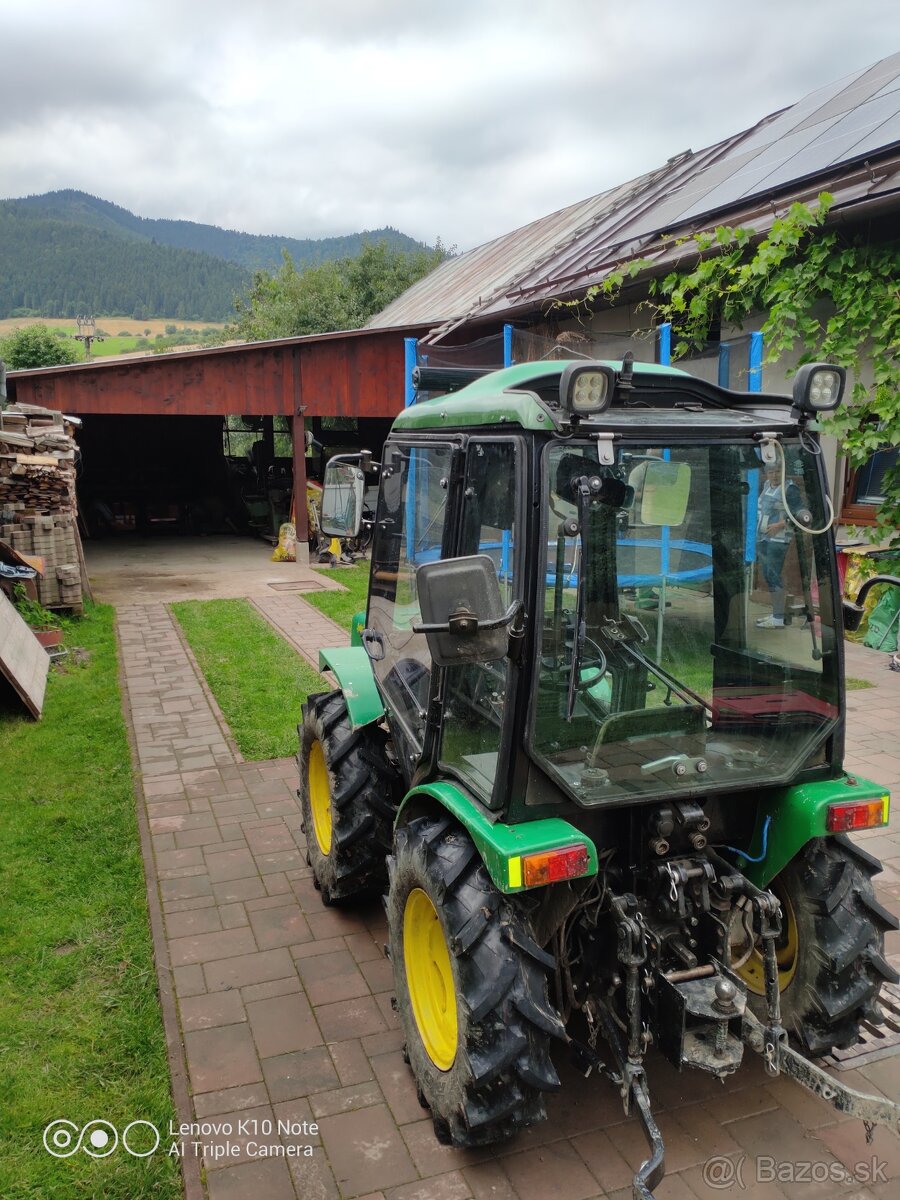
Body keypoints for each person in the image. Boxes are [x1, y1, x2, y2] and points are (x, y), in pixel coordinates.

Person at [756, 465, 801, 628]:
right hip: (762, 538)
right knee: (768, 575)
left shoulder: (790, 489)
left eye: (777, 472)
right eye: (770, 472)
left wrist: (780, 525)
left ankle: (778, 619)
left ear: (784, 472)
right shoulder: (766, 485)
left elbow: (800, 514)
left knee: (773, 576)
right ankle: (776, 614)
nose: (774, 475)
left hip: (778, 540)